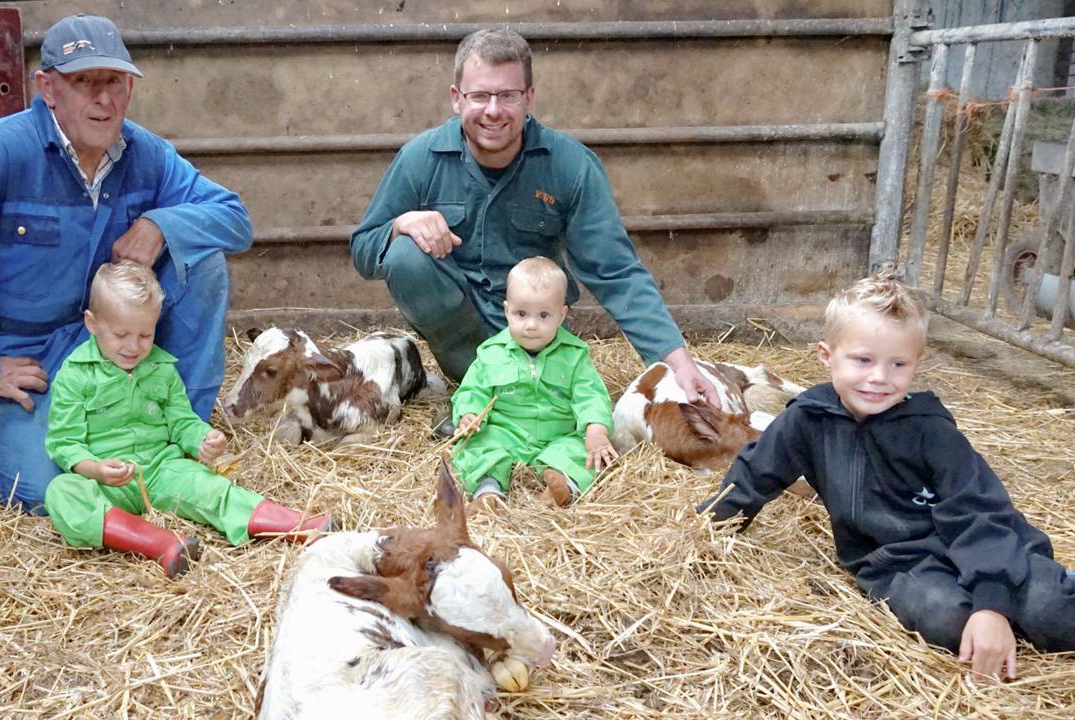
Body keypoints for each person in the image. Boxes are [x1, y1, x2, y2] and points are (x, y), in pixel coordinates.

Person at [0, 15, 252, 514]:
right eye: (83, 82)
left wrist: (164, 225)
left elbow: (234, 219)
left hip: (102, 338)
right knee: (43, 487)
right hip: (25, 357)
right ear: (48, 88)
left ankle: (181, 432)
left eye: (113, 81)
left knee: (198, 262)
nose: (102, 99)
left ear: (130, 87)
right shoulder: (0, 153)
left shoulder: (146, 154)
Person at [698, 274, 1075, 680]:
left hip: (986, 547)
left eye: (898, 364)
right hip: (895, 561)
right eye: (863, 360)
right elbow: (757, 472)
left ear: (918, 363)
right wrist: (709, 525)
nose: (879, 377)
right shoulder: (807, 419)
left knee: (1050, 609)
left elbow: (977, 511)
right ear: (826, 356)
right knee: (947, 619)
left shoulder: (931, 430)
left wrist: (992, 601)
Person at [350, 28, 718, 417]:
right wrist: (400, 224)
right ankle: (475, 380)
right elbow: (363, 249)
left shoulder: (570, 165)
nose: (493, 110)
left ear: (529, 97)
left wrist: (678, 364)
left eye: (508, 95)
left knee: (559, 414)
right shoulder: (420, 158)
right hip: (457, 333)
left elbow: (617, 272)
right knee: (405, 254)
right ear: (457, 99)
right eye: (479, 96)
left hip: (534, 335)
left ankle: (523, 389)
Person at [44, 262, 332, 578]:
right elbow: (64, 441)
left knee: (209, 485)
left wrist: (202, 439)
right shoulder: (74, 375)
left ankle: (298, 525)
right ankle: (162, 544)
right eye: (121, 334)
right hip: (108, 479)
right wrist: (94, 469)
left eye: (145, 334)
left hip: (163, 468)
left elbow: (181, 421)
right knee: (62, 492)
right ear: (92, 323)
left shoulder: (162, 368)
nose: (134, 346)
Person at [451, 257, 618, 513]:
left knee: (583, 451)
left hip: (558, 435)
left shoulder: (574, 355)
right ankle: (488, 491)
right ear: (507, 310)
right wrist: (469, 414)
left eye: (543, 315)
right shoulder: (491, 353)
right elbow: (473, 389)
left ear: (561, 315)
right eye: (521, 314)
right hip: (506, 433)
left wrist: (596, 428)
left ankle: (561, 485)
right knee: (478, 447)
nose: (531, 325)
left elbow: (591, 394)